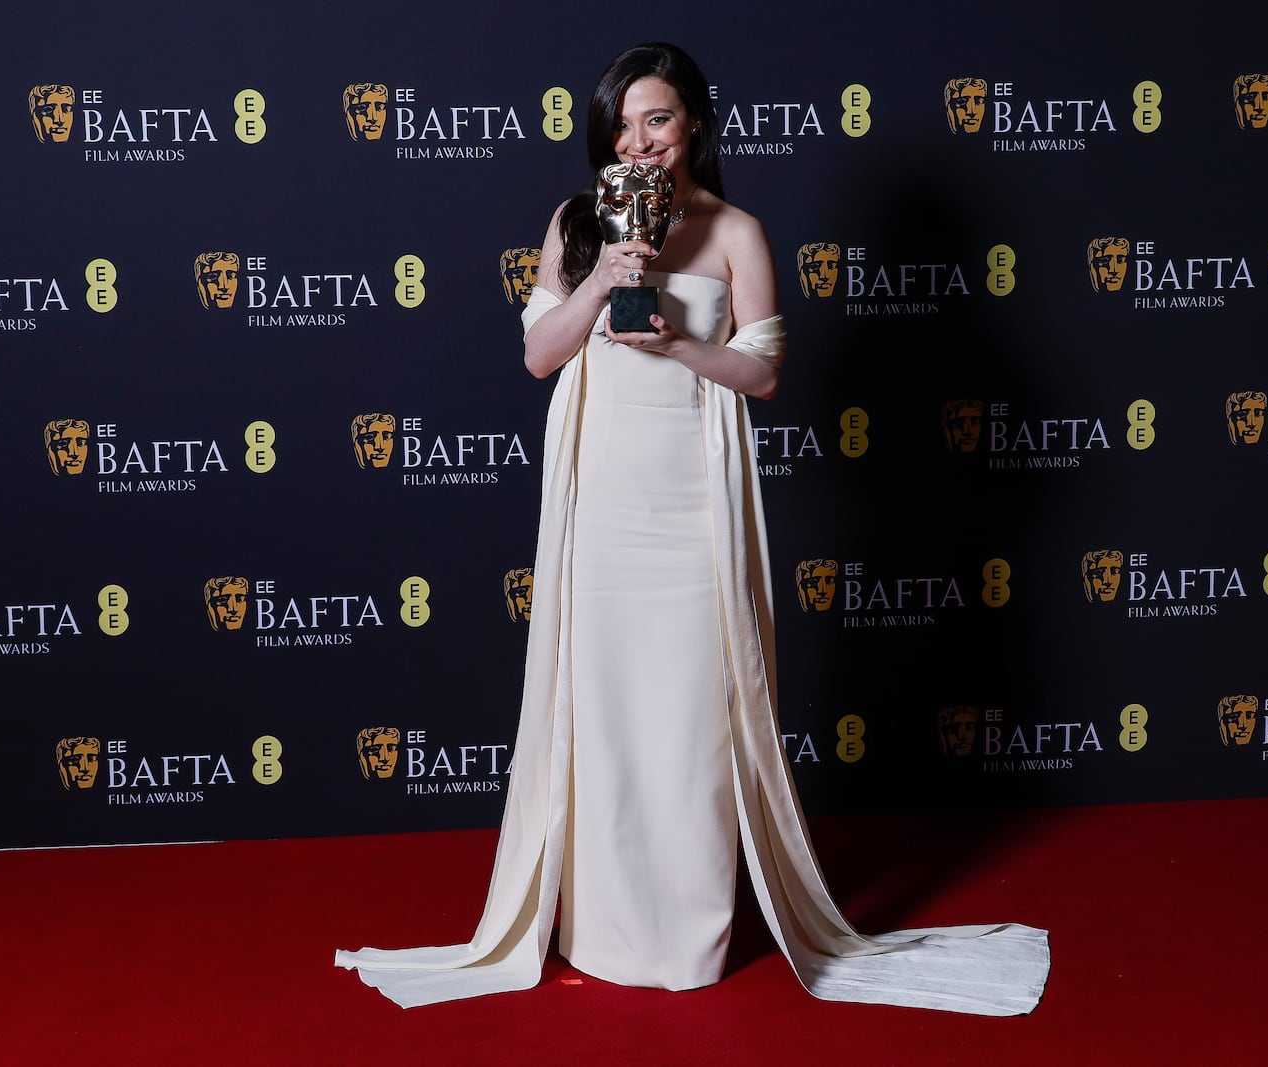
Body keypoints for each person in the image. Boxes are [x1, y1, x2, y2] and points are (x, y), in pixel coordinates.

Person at [336, 42, 1048, 1015]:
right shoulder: (575, 222)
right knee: (605, 710)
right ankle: (597, 927)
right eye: (622, 124)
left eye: (657, 119)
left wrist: (676, 339)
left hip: (690, 506)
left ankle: (685, 930)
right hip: (601, 500)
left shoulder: (734, 233)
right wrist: (601, 281)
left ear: (695, 126)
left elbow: (763, 374)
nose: (638, 139)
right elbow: (540, 356)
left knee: (686, 721)